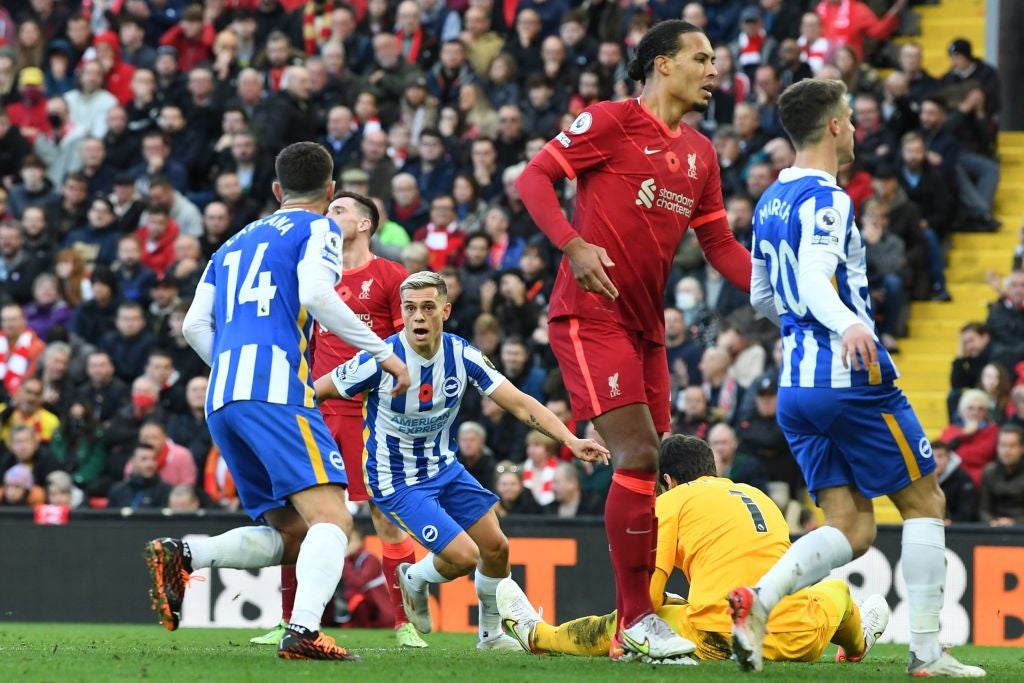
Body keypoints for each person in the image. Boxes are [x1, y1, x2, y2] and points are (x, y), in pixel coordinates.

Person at [513, 20, 752, 662]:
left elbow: (721, 245)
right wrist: (572, 244)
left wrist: (776, 290)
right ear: (661, 64)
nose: (712, 70)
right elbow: (533, 180)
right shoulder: (611, 121)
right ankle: (638, 619)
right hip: (589, 314)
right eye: (700, 58)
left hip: (646, 328)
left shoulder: (702, 151)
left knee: (658, 465)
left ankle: (635, 625)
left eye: (715, 60)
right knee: (641, 455)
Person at [733, 77, 984, 677]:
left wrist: (804, 325)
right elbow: (818, 276)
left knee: (851, 525)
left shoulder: (770, 199)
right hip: (849, 378)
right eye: (849, 115)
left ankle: (759, 600)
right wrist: (847, 325)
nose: (856, 126)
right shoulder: (829, 198)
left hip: (796, 384)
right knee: (925, 500)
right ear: (836, 127)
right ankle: (927, 652)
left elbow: (761, 293)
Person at [142, 141, 411, 661]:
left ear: (275, 190)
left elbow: (193, 324)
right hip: (276, 390)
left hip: (223, 394)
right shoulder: (320, 228)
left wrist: (230, 368)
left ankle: (184, 554)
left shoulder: (233, 242)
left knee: (291, 533)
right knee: (334, 519)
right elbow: (314, 294)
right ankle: (305, 632)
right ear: (330, 191)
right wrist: (384, 355)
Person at [314, 271, 609, 651]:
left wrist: (570, 438)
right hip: (395, 478)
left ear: (446, 310)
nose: (418, 317)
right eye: (410, 309)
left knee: (498, 548)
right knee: (464, 556)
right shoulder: (378, 359)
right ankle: (416, 577)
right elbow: (315, 392)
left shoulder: (461, 355)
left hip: (444, 467)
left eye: (427, 308)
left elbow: (518, 401)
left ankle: (490, 636)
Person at [496, 434, 889, 665]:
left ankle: (537, 635)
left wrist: (658, 606)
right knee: (835, 591)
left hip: (722, 639)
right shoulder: (756, 495)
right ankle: (855, 648)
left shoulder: (673, 501)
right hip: (801, 639)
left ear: (666, 480)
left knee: (636, 620)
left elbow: (643, 602)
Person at [249, 190, 424, 650]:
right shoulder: (312, 276)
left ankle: (404, 623)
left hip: (371, 412)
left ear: (366, 224)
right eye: (329, 210)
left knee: (386, 518)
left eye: (341, 211)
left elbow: (406, 346)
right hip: (316, 409)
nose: (331, 217)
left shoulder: (390, 277)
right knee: (299, 516)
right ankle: (289, 620)